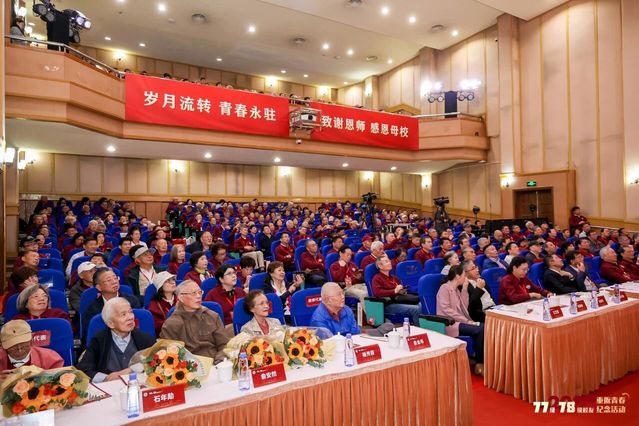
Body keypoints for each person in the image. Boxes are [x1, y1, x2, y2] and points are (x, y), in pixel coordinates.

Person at [78, 297, 155, 383]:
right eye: (123, 314)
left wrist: (130, 370)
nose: (130, 317)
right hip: (109, 388)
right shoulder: (99, 340)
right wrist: (106, 378)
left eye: (130, 312)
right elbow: (84, 370)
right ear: (111, 324)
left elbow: (156, 362)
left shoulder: (144, 338)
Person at [160, 280, 229, 364]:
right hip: (188, 367)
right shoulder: (172, 324)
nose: (198, 296)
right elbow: (168, 354)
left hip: (215, 362)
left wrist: (219, 361)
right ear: (180, 297)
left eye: (200, 292)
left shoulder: (212, 316)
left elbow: (224, 344)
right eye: (193, 293)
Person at [436, 265, 484, 375]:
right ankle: (480, 363)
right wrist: (466, 321)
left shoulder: (457, 290)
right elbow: (447, 310)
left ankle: (480, 359)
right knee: (480, 329)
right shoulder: (444, 288)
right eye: (464, 276)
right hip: (450, 323)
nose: (465, 278)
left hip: (459, 321)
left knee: (483, 326)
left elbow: (464, 308)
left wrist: (465, 289)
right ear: (457, 276)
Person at [82, 268, 141, 344]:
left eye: (115, 278)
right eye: (109, 280)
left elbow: (137, 327)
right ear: (99, 287)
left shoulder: (132, 301)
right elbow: (90, 335)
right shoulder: (93, 309)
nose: (114, 282)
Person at [371, 256, 421, 325]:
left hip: (400, 300)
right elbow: (377, 293)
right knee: (416, 309)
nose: (389, 263)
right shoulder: (377, 278)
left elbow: (399, 290)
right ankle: (419, 328)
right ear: (380, 266)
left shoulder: (394, 277)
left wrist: (402, 291)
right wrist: (394, 291)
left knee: (421, 304)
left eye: (389, 261)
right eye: (386, 261)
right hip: (389, 304)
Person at [205, 264, 247, 330]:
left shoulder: (240, 291)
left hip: (243, 324)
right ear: (221, 279)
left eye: (234, 273)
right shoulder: (212, 295)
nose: (234, 276)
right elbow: (207, 317)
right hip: (225, 328)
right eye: (229, 274)